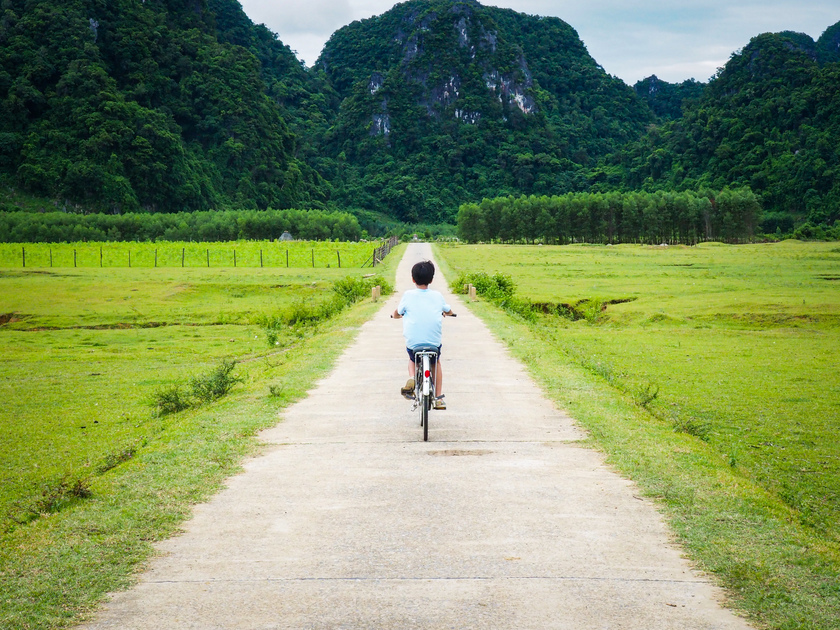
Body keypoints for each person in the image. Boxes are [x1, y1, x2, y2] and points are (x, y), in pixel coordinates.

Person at [391, 260, 455, 410]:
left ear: (413, 279)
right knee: (436, 362)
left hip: (414, 343)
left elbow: (397, 312)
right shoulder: (438, 296)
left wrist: (395, 315)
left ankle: (412, 378)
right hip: (433, 343)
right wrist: (449, 313)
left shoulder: (408, 295)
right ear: (431, 279)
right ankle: (438, 398)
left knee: (412, 358)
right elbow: (448, 309)